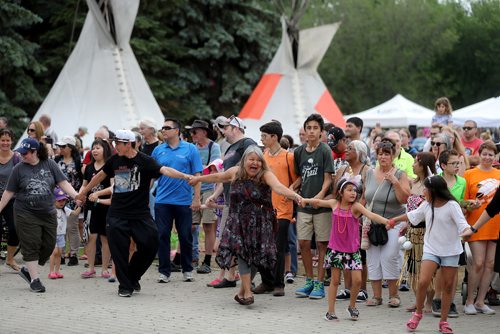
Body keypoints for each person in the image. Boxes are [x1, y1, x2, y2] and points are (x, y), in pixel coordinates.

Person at [77, 129, 191, 297]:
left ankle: (132, 276)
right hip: (117, 213)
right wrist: (84, 191)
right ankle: (125, 286)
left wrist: (185, 176)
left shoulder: (145, 161)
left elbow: (165, 170)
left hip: (140, 214)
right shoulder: (114, 160)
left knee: (151, 244)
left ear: (128, 144)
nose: (115, 146)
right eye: (114, 143)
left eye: (118, 143)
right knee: (120, 250)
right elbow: (100, 176)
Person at [189, 145, 303, 305]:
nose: (254, 163)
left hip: (260, 223)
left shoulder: (265, 174)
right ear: (245, 161)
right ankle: (248, 292)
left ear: (262, 163)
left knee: (256, 258)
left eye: (258, 160)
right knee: (242, 254)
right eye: (251, 159)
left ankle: (242, 291)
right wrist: (198, 179)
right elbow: (217, 178)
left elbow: (278, 187)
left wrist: (295, 196)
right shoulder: (235, 172)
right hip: (238, 222)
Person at [302, 176, 389, 321]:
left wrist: (386, 221)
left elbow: (371, 214)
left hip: (352, 251)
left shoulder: (356, 207)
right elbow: (318, 202)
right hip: (336, 250)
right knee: (335, 281)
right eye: (349, 190)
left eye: (355, 190)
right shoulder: (334, 203)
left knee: (357, 281)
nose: (353, 193)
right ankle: (330, 311)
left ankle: (352, 306)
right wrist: (306, 201)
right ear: (341, 192)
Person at [391, 176, 469, 334]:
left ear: (434, 190)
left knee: (447, 287)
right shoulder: (427, 205)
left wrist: (467, 233)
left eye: (425, 188)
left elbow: (463, 226)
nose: (423, 191)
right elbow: (412, 215)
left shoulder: (452, 205)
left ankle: (443, 321)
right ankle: (417, 314)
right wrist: (393, 220)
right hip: (431, 249)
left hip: (451, 251)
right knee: (423, 281)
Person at [0, 138, 79, 293]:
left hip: (48, 212)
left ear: (35, 152)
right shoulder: (18, 169)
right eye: (21, 153)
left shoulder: (50, 164)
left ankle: (28, 270)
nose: (23, 156)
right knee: (31, 243)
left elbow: (63, 182)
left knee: (49, 245)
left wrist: (76, 196)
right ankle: (35, 280)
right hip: (25, 212)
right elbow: (9, 192)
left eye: (26, 153)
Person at [205, 115, 257, 288]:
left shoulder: (247, 144)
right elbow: (227, 175)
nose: (223, 131)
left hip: (243, 201)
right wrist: (216, 193)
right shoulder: (230, 148)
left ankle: (242, 278)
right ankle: (230, 276)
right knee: (229, 239)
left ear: (235, 128)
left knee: (237, 240)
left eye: (226, 128)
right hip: (230, 200)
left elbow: (255, 167)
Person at [152, 118, 203, 283]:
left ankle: (187, 269)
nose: (163, 130)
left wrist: (196, 198)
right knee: (162, 235)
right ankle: (164, 272)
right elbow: (151, 176)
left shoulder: (190, 149)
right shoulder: (158, 150)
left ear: (177, 131)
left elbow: (197, 175)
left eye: (167, 128)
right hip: (162, 201)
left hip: (183, 201)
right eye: (162, 128)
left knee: (185, 236)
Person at [292, 113, 335, 299]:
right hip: (303, 205)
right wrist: (290, 190)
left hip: (322, 206)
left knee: (322, 244)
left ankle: (320, 283)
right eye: (308, 127)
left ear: (321, 131)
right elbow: (300, 177)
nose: (311, 131)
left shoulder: (325, 150)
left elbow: (328, 179)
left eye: (315, 128)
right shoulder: (299, 151)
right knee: (303, 242)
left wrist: (319, 197)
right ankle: (308, 281)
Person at [364, 138, 410, 307]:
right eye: (380, 154)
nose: (383, 157)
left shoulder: (400, 174)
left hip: (393, 221)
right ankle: (376, 296)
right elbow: (364, 197)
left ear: (393, 156)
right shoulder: (369, 173)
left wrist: (395, 183)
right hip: (372, 222)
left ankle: (394, 295)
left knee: (389, 256)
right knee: (373, 258)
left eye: (386, 154)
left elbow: (404, 199)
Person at [255, 121, 297, 296]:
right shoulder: (262, 156)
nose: (262, 139)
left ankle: (279, 283)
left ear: (274, 137)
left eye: (264, 136)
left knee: (278, 247)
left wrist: (291, 192)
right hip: (264, 208)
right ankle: (266, 281)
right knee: (261, 246)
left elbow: (298, 179)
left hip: (283, 209)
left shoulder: (289, 157)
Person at [463, 141, 500, 315]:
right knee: (477, 262)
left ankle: (480, 301)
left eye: (491, 155)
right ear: (479, 154)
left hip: (495, 225)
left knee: (490, 264)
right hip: (476, 224)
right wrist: (470, 204)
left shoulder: (499, 174)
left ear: (495, 157)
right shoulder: (469, 174)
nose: (487, 157)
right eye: (484, 154)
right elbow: (462, 203)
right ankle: (469, 300)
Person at [332, 139, 371, 302]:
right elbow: (336, 191)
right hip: (343, 217)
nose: (346, 150)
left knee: (359, 253)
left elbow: (366, 194)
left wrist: (356, 212)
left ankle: (361, 288)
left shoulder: (367, 170)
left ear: (360, 153)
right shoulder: (341, 170)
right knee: (344, 252)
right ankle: (347, 288)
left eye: (351, 148)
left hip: (358, 216)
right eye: (346, 148)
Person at [399, 152, 436, 313]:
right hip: (412, 231)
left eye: (416, 162)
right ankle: (418, 300)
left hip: (426, 231)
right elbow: (410, 209)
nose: (413, 165)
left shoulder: (432, 184)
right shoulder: (413, 183)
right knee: (413, 267)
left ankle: (429, 302)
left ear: (423, 165)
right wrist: (406, 224)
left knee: (426, 269)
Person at [186, 120, 221, 274]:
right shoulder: (191, 148)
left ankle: (207, 261)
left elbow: (215, 168)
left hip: (208, 189)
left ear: (204, 132)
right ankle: (192, 257)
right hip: (193, 189)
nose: (192, 134)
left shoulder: (214, 147)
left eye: (194, 131)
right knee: (192, 225)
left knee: (208, 226)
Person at [80, 139, 113, 279]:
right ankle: (91, 267)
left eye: (98, 148)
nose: (94, 150)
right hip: (90, 208)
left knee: (105, 238)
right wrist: (79, 195)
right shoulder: (88, 167)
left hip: (105, 206)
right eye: (93, 148)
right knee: (91, 237)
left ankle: (105, 269)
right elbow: (84, 185)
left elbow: (113, 187)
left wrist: (98, 194)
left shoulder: (110, 166)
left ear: (105, 150)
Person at [55, 136, 83, 266]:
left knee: (72, 227)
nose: (60, 149)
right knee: (59, 227)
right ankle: (60, 254)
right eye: (59, 146)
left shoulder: (78, 162)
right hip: (58, 198)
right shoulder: (56, 160)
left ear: (70, 148)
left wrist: (80, 197)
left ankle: (73, 255)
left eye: (63, 146)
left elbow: (82, 181)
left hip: (73, 199)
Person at [0, 128, 21, 271]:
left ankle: (10, 259)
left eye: (8, 140)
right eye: (2, 140)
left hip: (11, 200)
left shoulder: (17, 158)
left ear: (12, 141)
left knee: (15, 229)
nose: (5, 143)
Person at [48, 187, 79, 279]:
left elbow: (75, 213)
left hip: (61, 234)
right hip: (52, 234)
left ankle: (57, 271)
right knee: (54, 252)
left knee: (59, 253)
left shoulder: (65, 209)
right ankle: (51, 271)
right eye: (59, 200)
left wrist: (80, 205)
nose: (62, 202)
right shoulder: (50, 209)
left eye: (63, 200)